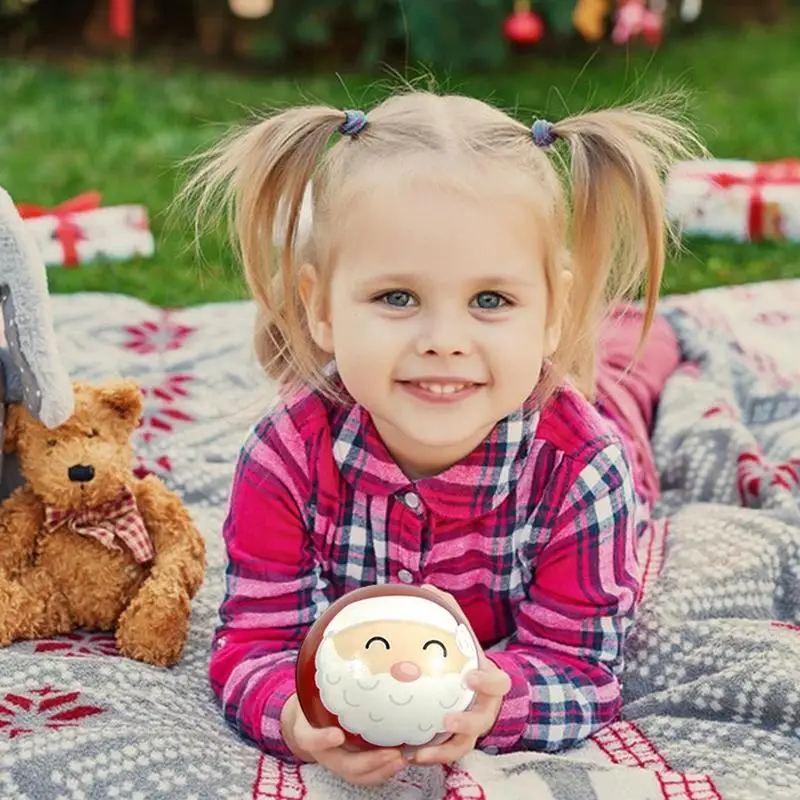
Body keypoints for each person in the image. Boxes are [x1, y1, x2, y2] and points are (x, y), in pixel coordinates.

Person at [189, 90, 701, 787]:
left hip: (592, 425)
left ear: (553, 310)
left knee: (627, 386)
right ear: (321, 308)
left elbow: (580, 664)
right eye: (397, 298)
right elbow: (254, 642)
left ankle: (648, 334)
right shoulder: (284, 459)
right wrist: (295, 717)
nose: (444, 341)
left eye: (491, 300)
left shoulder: (585, 471)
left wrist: (496, 703)